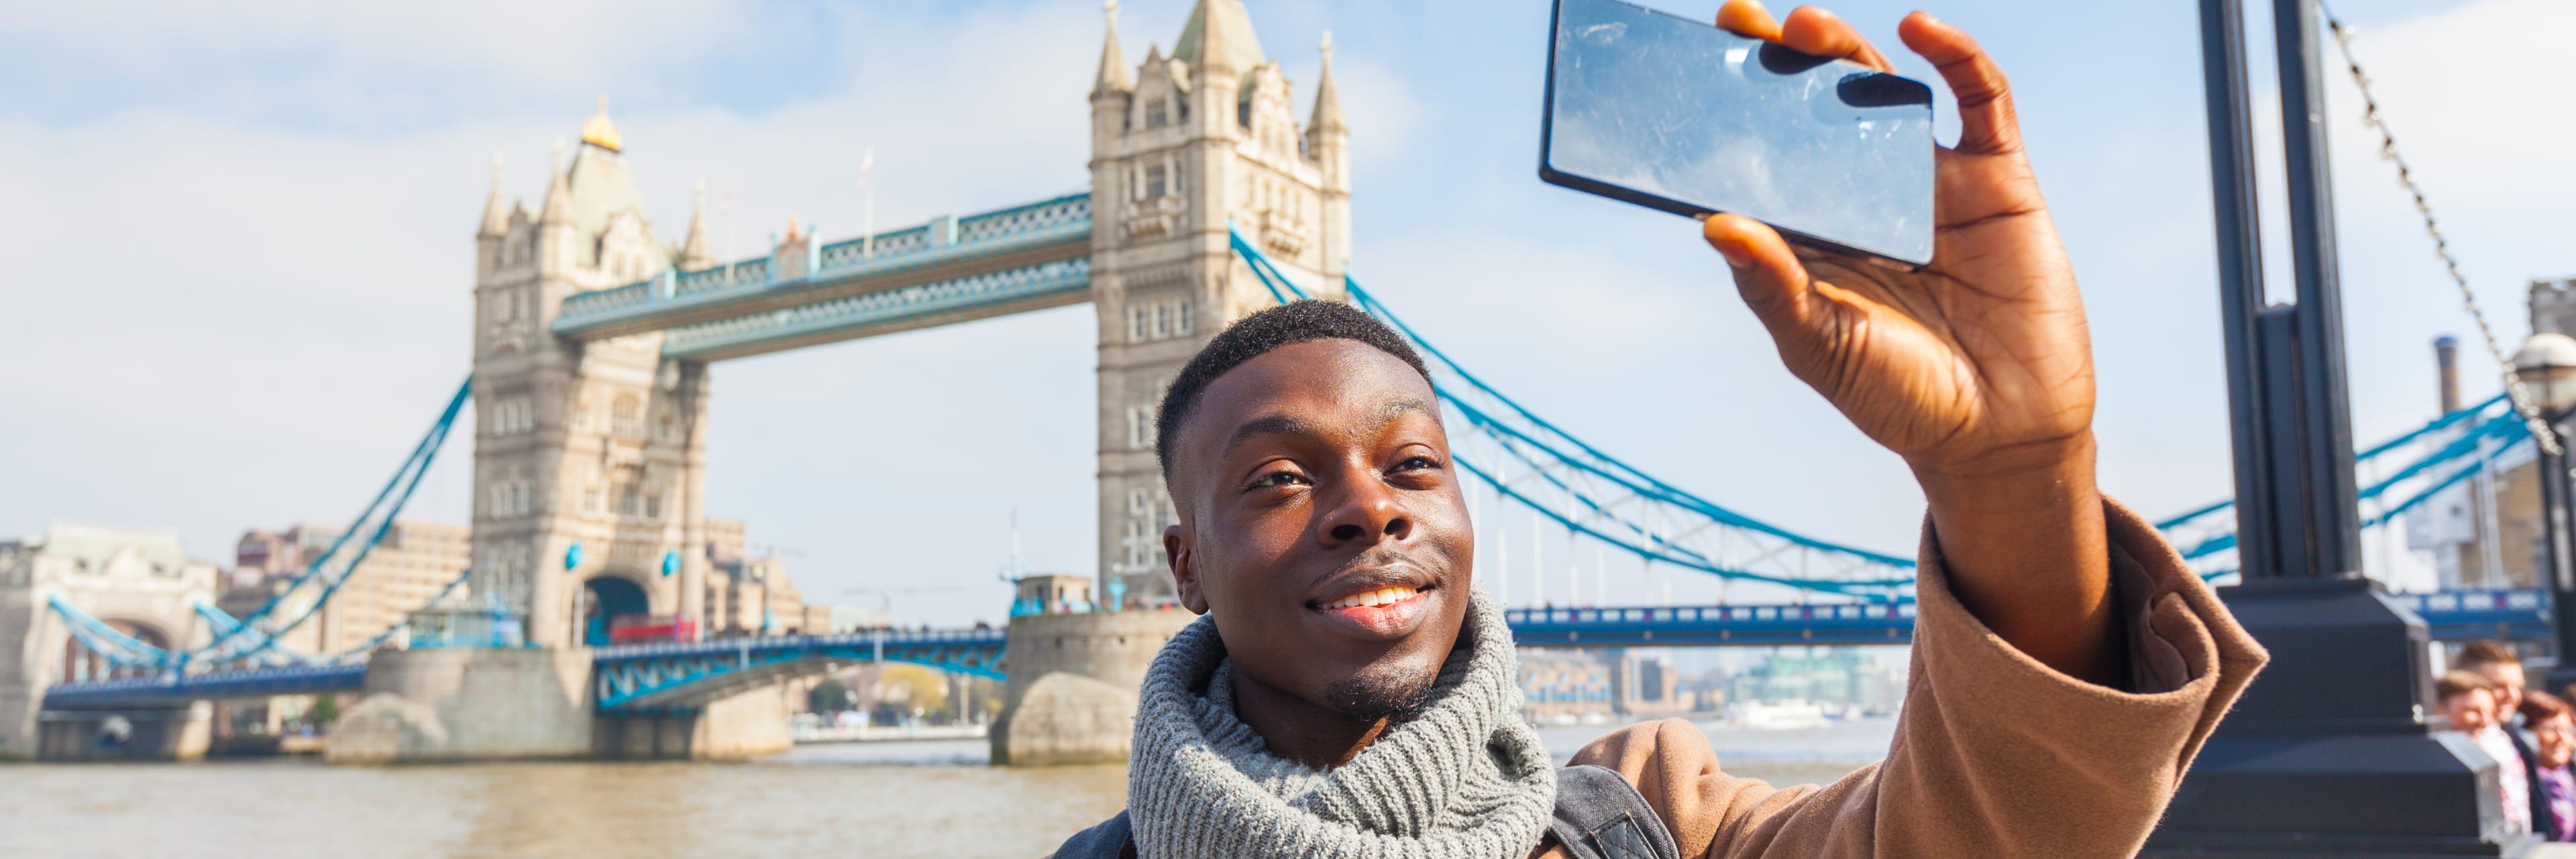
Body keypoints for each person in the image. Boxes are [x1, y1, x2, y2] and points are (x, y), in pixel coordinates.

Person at [1048, 2, 2268, 858]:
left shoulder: (1648, 824)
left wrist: (2015, 475)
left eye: (1415, 463)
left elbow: (2008, 831)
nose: (1374, 507)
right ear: (1186, 567)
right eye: (1275, 477)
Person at [2457, 641, 2535, 835]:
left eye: (2518, 687)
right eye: (2499, 686)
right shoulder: (2455, 747)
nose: (2512, 695)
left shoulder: (2512, 739)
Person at [2520, 691, 2576, 842]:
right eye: (2551, 730)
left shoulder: (2570, 776)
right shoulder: (2520, 784)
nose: (2562, 739)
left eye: (2567, 730)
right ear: (2526, 735)